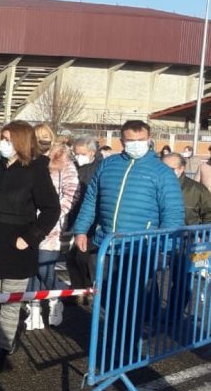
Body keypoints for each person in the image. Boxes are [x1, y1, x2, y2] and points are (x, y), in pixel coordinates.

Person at [0, 121, 61, 374]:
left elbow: (52, 209)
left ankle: (2, 348)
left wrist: (31, 237)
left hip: (17, 245)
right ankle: (7, 328)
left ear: (20, 142)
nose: (2, 143)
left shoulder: (35, 171)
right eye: (1, 138)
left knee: (9, 303)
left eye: (7, 139)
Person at [72, 120, 184, 320]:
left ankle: (130, 343)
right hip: (106, 244)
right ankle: (112, 338)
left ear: (149, 140)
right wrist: (81, 229)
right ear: (122, 140)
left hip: (141, 248)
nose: (135, 144)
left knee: (135, 301)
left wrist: (165, 248)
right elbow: (91, 200)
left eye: (140, 140)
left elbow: (173, 213)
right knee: (107, 297)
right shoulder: (108, 165)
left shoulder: (162, 172)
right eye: (131, 140)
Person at [26, 127, 79, 330]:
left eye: (45, 137)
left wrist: (57, 212)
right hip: (29, 222)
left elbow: (72, 191)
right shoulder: (28, 160)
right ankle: (34, 308)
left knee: (44, 267)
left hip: (52, 224)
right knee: (30, 268)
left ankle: (55, 298)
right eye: (38, 138)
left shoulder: (63, 161)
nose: (41, 141)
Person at [65, 136, 103, 291]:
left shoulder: (100, 168)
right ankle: (78, 289)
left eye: (82, 153)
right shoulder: (73, 167)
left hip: (93, 221)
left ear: (92, 152)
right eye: (76, 153)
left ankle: (86, 288)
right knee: (72, 258)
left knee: (83, 257)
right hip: (75, 216)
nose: (78, 157)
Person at [163, 153, 211, 225]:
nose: (164, 172)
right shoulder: (152, 187)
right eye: (161, 168)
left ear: (181, 168)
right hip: (156, 235)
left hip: (188, 234)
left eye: (170, 169)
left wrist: (201, 233)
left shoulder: (197, 189)